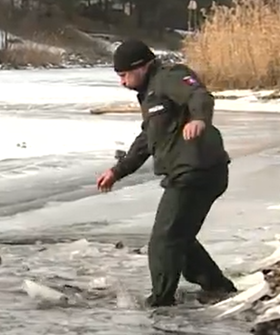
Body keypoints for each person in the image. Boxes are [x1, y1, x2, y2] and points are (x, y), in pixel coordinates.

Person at [96, 39, 237, 308]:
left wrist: (199, 119)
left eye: (124, 75)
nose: (122, 82)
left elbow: (199, 96)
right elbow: (146, 140)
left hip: (197, 171)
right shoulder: (151, 93)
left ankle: (160, 303)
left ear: (141, 66)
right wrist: (117, 171)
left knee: (164, 241)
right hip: (187, 173)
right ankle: (217, 287)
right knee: (179, 237)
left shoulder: (170, 77)